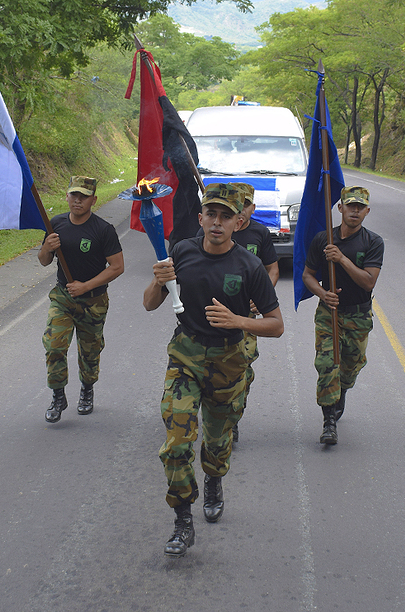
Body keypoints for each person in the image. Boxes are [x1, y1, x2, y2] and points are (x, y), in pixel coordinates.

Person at [143, 183, 284, 557]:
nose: (217, 223)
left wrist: (238, 320)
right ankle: (182, 521)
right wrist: (160, 282)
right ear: (201, 217)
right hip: (186, 357)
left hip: (228, 362)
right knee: (175, 443)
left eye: (226, 216)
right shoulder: (182, 251)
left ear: (239, 222)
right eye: (211, 214)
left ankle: (215, 480)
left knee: (218, 444)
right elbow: (149, 303)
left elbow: (276, 325)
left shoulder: (250, 266)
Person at [301, 186, 384, 445]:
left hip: (358, 315)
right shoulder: (322, 239)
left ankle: (342, 389)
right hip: (330, 313)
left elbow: (368, 282)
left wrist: (341, 259)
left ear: (367, 211)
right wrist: (323, 295)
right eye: (350, 206)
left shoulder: (373, 242)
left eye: (360, 207)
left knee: (350, 367)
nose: (355, 211)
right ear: (340, 208)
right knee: (327, 364)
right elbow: (307, 275)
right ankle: (329, 422)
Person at [39, 176, 124, 423]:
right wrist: (47, 246)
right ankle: (58, 395)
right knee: (54, 345)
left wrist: (86, 285)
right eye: (74, 195)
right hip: (63, 298)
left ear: (93, 200)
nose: (78, 200)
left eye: (84, 197)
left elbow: (117, 267)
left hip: (93, 302)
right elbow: (44, 260)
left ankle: (87, 389)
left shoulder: (103, 230)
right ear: (67, 196)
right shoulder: (56, 224)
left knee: (90, 351)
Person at [218, 183, 279, 443]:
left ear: (253, 207)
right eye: (237, 204)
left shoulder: (259, 233)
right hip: (211, 315)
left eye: (245, 205)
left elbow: (272, 269)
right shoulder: (217, 232)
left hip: (245, 318)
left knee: (242, 369)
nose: (240, 210)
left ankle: (233, 417)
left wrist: (262, 296)